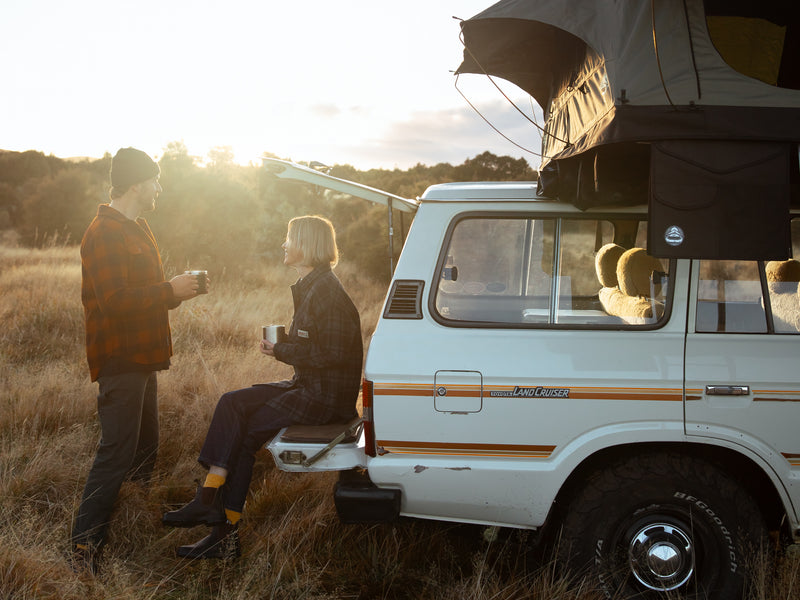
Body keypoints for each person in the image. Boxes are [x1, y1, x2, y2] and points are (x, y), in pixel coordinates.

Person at [162, 215, 363, 560]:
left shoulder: (326, 291)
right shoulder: (312, 285)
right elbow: (320, 343)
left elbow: (334, 353)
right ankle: (209, 503)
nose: (284, 244)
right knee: (231, 403)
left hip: (324, 399)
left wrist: (281, 350)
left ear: (307, 245)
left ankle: (220, 527)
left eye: (289, 238)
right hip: (307, 385)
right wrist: (287, 346)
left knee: (246, 434)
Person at [71, 147, 205, 573]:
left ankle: (131, 528)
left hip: (145, 359)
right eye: (155, 180)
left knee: (146, 450)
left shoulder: (137, 227)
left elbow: (147, 294)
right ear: (136, 184)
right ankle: (83, 550)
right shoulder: (104, 232)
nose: (159, 188)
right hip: (121, 360)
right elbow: (113, 302)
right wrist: (168, 290)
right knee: (115, 454)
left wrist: (178, 290)